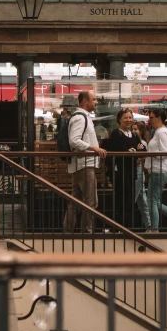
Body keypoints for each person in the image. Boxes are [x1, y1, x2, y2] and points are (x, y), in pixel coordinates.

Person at [63, 91, 106, 232]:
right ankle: (86, 232)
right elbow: (74, 141)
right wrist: (93, 147)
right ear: (84, 101)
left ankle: (68, 231)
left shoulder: (82, 117)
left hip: (81, 163)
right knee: (91, 201)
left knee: (75, 201)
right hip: (84, 164)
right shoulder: (81, 118)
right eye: (93, 99)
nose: (96, 102)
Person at [106, 109, 146, 227]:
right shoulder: (115, 134)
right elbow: (119, 150)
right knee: (121, 200)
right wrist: (133, 150)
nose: (128, 120)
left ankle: (127, 226)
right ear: (119, 120)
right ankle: (117, 226)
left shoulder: (133, 135)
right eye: (125, 118)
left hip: (131, 171)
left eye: (130, 117)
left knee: (129, 201)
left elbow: (142, 148)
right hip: (120, 173)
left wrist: (133, 151)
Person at [132, 121, 151, 230]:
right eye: (132, 129)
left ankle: (120, 224)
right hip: (138, 174)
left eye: (136, 129)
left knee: (132, 199)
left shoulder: (142, 143)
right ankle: (149, 225)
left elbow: (139, 160)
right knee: (142, 201)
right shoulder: (135, 142)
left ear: (141, 131)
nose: (133, 131)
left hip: (138, 174)